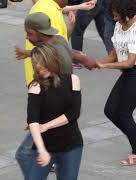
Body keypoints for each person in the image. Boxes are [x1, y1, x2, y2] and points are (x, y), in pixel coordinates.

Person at [14, 12, 95, 177]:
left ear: (40, 33)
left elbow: (71, 111)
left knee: (23, 153)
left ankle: (51, 161)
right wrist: (28, 53)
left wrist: (41, 123)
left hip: (57, 119)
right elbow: (48, 52)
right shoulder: (58, 40)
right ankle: (52, 161)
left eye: (29, 33)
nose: (27, 37)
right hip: (52, 118)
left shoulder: (57, 73)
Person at [95, 0, 136, 166]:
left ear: (126, 15)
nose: (114, 17)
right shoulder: (119, 25)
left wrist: (104, 65)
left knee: (124, 114)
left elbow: (129, 62)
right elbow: (114, 53)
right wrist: (96, 63)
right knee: (110, 111)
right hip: (129, 74)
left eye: (117, 15)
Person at [25, 42, 83, 180]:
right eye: (36, 66)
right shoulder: (36, 86)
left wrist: (46, 125)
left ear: (52, 61)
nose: (39, 70)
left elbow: (74, 113)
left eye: (43, 65)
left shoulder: (73, 80)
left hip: (71, 145)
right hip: (45, 145)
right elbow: (32, 120)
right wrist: (41, 150)